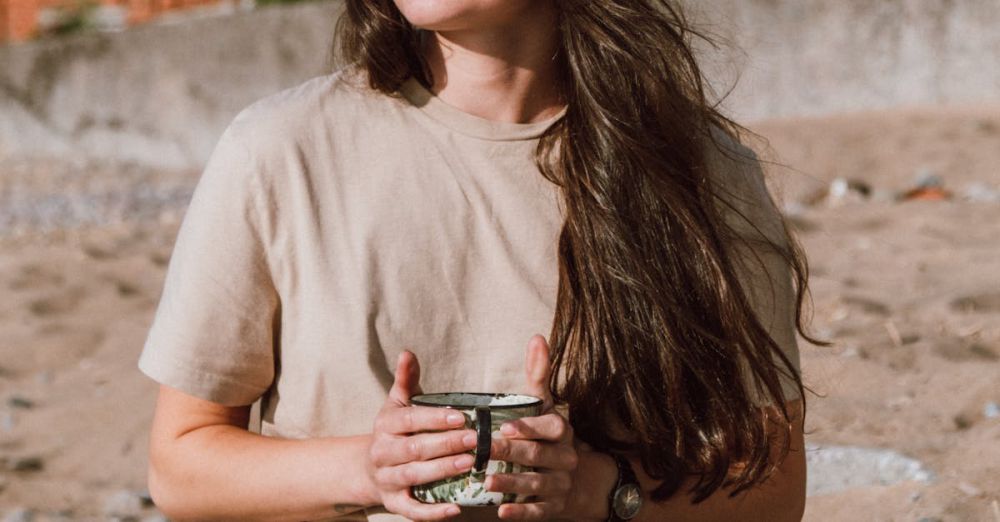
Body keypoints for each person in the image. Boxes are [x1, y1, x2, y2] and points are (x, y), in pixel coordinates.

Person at [139, 1, 823, 520]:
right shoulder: (278, 153)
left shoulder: (697, 169)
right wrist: (368, 470)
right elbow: (179, 463)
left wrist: (598, 490)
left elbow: (772, 485)